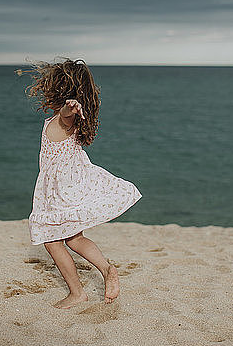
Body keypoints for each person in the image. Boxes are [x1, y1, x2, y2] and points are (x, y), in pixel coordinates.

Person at [15, 57, 142, 309]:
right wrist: (70, 107)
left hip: (61, 191)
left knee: (52, 240)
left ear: (60, 92)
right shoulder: (68, 120)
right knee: (73, 238)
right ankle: (107, 270)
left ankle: (77, 293)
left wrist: (68, 108)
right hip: (69, 186)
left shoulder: (65, 119)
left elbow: (65, 116)